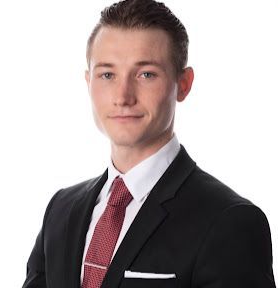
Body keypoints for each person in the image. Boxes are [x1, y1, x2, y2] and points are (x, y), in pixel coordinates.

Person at [22, 0, 276, 287]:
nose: (123, 96)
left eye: (146, 74)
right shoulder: (61, 210)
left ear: (184, 84)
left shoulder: (230, 222)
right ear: (88, 81)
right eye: (107, 74)